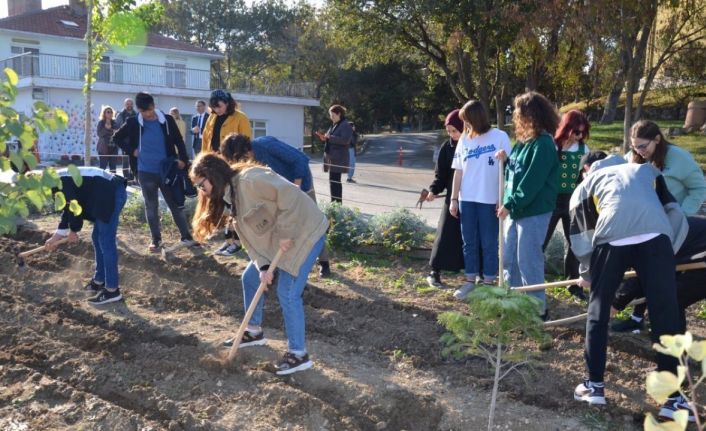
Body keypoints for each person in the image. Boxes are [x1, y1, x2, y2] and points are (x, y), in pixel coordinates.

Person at [569, 151, 690, 422]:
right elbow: (674, 211)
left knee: (598, 311)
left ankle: (594, 386)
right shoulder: (646, 172)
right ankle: (674, 399)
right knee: (665, 314)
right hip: (657, 237)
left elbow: (580, 230)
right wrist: (666, 252)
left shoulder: (589, 181)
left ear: (588, 169)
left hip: (613, 235)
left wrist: (588, 272)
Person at [190, 152, 329, 375]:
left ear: (211, 175)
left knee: (288, 292)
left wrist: (285, 232)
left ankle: (298, 354)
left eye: (200, 184)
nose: (200, 190)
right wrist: (263, 267)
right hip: (281, 241)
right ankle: (253, 331)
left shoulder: (250, 180)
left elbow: (290, 195)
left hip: (304, 231)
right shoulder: (230, 197)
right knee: (251, 277)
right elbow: (248, 240)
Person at [612, 120, 706, 332]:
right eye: (634, 146)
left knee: (658, 276)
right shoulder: (633, 159)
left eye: (643, 146)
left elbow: (699, 188)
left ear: (657, 139)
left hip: (676, 230)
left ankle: (665, 331)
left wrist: (681, 216)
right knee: (649, 273)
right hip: (646, 225)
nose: (639, 151)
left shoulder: (678, 158)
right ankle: (638, 320)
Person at [220, 133, 334, 276]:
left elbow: (300, 159)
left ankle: (324, 262)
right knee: (286, 224)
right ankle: (293, 264)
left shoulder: (266, 144)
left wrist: (296, 187)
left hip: (300, 183)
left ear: (245, 151)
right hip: (279, 192)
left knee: (311, 222)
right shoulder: (248, 164)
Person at [496, 92, 559, 319]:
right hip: (515, 209)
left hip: (533, 211)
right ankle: (511, 301)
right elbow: (515, 175)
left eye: (519, 111)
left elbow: (532, 182)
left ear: (531, 114)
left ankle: (536, 307)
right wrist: (507, 160)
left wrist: (510, 204)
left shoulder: (543, 145)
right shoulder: (523, 144)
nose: (515, 115)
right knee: (509, 257)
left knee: (528, 258)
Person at [112, 91, 197, 253]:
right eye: (144, 112)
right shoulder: (132, 122)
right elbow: (116, 138)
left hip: (167, 171)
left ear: (154, 106)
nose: (148, 114)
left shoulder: (167, 120)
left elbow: (179, 140)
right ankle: (156, 240)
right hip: (145, 172)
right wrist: (132, 151)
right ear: (139, 110)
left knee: (175, 204)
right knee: (151, 206)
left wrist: (183, 161)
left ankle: (186, 236)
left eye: (150, 110)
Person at [449, 101, 512, 299]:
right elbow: (458, 171)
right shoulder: (464, 140)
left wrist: (502, 199)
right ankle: (470, 280)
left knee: (489, 242)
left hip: (489, 199)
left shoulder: (499, 137)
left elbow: (509, 171)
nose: (465, 125)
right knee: (469, 241)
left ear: (476, 118)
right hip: (467, 199)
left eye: (466, 120)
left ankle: (488, 282)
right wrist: (454, 199)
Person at [44, 167, 128, 306]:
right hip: (106, 193)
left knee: (106, 241)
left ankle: (112, 291)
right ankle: (99, 281)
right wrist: (57, 236)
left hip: (111, 193)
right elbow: (68, 208)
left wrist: (74, 230)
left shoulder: (59, 182)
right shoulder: (59, 179)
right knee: (97, 238)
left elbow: (72, 204)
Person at [543, 109, 591, 301]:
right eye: (576, 131)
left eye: (582, 132)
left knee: (575, 243)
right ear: (567, 128)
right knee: (541, 240)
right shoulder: (553, 146)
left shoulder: (583, 150)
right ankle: (532, 280)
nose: (579, 136)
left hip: (573, 201)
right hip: (552, 200)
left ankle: (573, 284)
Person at [424, 109, 465, 288]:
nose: (451, 134)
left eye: (454, 130)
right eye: (448, 131)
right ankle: (435, 271)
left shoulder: (473, 144)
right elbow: (440, 174)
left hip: (472, 198)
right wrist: (433, 190)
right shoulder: (446, 148)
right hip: (452, 198)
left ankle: (474, 274)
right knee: (445, 234)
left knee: (470, 238)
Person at [315, 105, 352, 203]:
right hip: (332, 157)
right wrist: (324, 138)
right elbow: (329, 137)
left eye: (332, 115)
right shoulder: (334, 124)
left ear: (339, 114)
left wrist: (329, 137)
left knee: (335, 181)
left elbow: (345, 140)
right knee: (333, 181)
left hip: (339, 158)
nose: (331, 117)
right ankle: (334, 203)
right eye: (330, 115)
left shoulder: (345, 125)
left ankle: (337, 204)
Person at [115, 98, 137, 180]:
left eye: (131, 104)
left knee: (134, 159)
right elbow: (117, 127)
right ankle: (126, 177)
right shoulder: (120, 115)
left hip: (135, 141)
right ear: (125, 105)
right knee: (126, 160)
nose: (129, 105)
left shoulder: (136, 114)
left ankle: (134, 176)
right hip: (124, 141)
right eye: (128, 104)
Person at [96, 105, 118, 173]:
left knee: (113, 168)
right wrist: (106, 129)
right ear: (104, 113)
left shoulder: (115, 122)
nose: (110, 113)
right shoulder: (101, 122)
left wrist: (114, 131)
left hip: (113, 147)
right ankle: (101, 181)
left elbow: (117, 133)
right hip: (103, 148)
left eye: (111, 112)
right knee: (103, 167)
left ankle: (113, 182)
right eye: (108, 112)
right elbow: (99, 134)